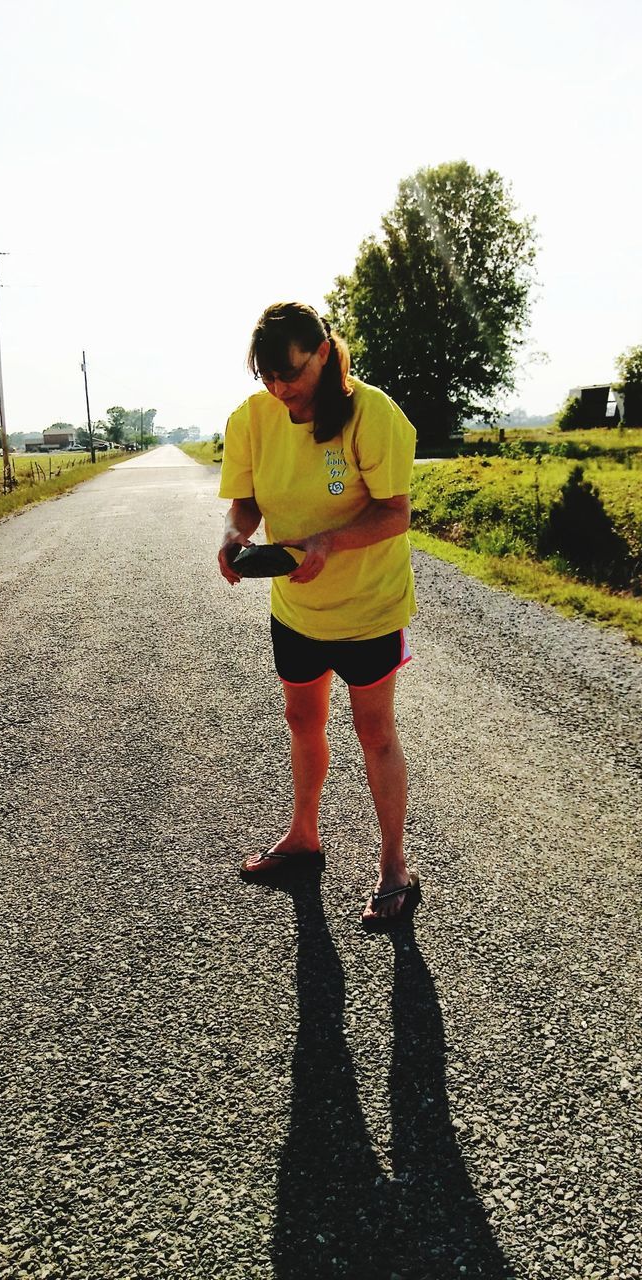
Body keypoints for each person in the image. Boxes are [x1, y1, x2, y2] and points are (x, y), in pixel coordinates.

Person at [217, 301, 419, 928]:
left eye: (291, 374)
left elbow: (395, 512)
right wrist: (232, 534)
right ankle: (305, 835)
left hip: (368, 609)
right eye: (267, 378)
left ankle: (394, 866)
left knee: (374, 732)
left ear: (325, 353)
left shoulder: (373, 414)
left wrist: (328, 543)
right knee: (302, 719)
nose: (280, 390)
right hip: (296, 608)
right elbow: (246, 503)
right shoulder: (253, 418)